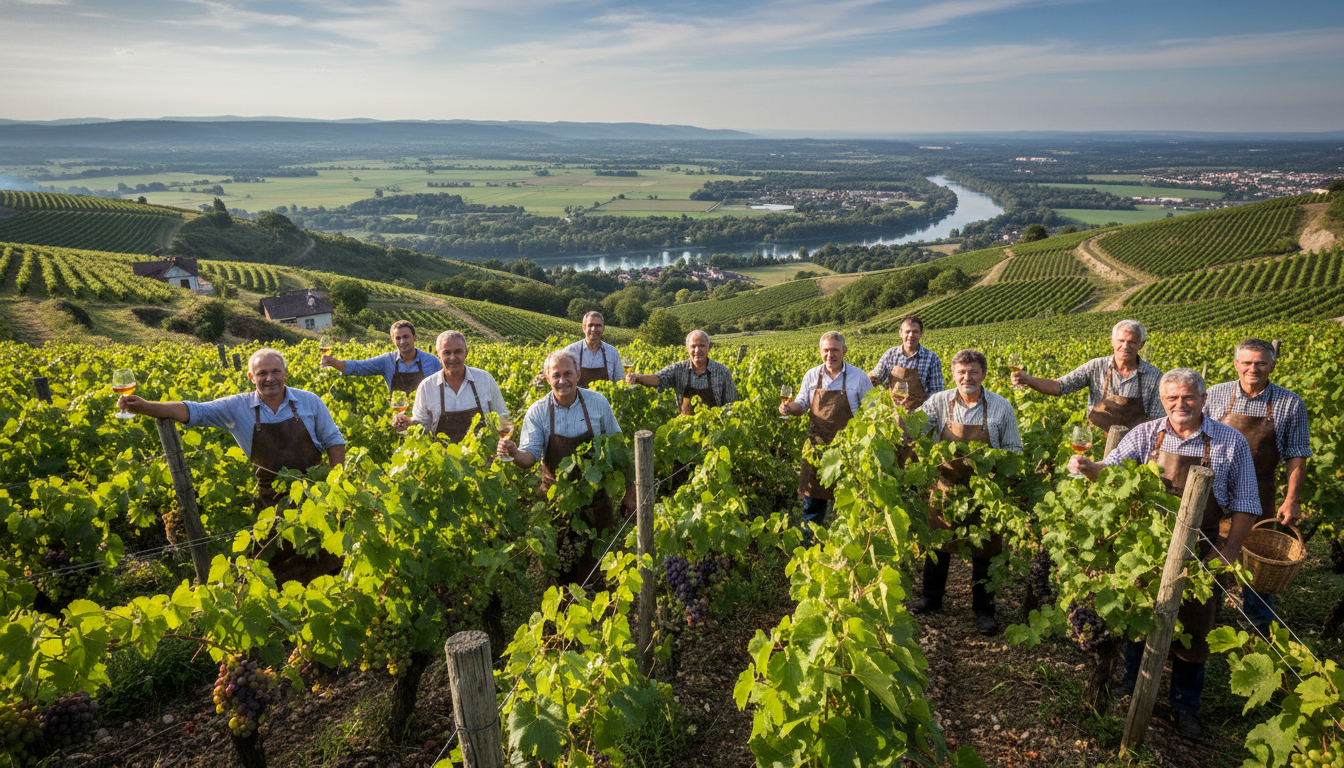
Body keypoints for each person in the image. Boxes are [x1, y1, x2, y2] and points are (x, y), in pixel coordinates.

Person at [1069, 368, 1259, 740]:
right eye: (1172, 398)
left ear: (1203, 399)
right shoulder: (1146, 434)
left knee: (1196, 627)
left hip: (1199, 549)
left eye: (1188, 397)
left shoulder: (1229, 441)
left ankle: (1184, 705)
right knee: (1140, 616)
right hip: (1145, 548)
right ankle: (1131, 685)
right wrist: (1090, 468)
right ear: (1162, 400)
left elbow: (1247, 503)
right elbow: (1112, 471)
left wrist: (1229, 550)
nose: (1180, 404)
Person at [117, 348, 346, 584]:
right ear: (251, 377)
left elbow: (334, 441)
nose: (270, 378)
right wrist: (144, 406)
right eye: (262, 373)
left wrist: (333, 486)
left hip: (316, 496)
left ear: (285, 373)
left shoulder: (310, 401)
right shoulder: (237, 407)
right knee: (276, 570)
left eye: (276, 371)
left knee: (329, 559)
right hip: (272, 503)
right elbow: (194, 410)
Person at [498, 349, 636, 585]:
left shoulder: (598, 403)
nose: (563, 380)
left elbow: (619, 449)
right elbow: (530, 457)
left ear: (578, 374)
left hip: (596, 501)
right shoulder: (538, 411)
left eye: (568, 374)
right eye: (556, 375)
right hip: (557, 504)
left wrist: (630, 490)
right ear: (547, 377)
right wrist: (514, 453)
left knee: (599, 570)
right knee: (560, 572)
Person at [1204, 338, 1310, 637]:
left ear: (1272, 365)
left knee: (1257, 558)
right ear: (1236, 364)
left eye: (1261, 363)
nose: (1253, 368)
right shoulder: (1215, 394)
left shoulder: (1290, 402)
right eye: (1247, 362)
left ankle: (1259, 628)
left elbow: (1297, 455)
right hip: (1214, 487)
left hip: (1259, 488)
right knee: (1209, 549)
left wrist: (1292, 499)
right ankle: (1207, 620)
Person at [913, 349, 1023, 636]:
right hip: (946, 487)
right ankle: (931, 599)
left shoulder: (1001, 407)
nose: (967, 377)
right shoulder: (938, 402)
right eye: (961, 372)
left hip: (984, 492)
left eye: (973, 372)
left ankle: (984, 610)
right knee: (938, 546)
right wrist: (896, 417)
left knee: (985, 551)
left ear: (983, 374)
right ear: (953, 374)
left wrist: (1001, 479)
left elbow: (1014, 449)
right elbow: (912, 430)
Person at [780, 331, 872, 539]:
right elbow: (802, 405)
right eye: (826, 350)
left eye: (835, 350)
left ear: (844, 351)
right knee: (813, 498)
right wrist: (789, 408)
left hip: (849, 449)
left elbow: (871, 409)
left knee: (850, 500)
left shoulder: (859, 377)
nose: (830, 355)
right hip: (817, 447)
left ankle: (849, 542)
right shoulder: (811, 375)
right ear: (820, 352)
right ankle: (810, 540)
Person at [1012, 319, 1163, 431]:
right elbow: (1059, 386)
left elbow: (1159, 420)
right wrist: (1028, 379)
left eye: (1132, 342)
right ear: (1112, 341)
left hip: (1133, 448)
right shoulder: (1095, 367)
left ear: (1141, 345)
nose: (1125, 346)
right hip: (1095, 444)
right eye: (1121, 340)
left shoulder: (1154, 376)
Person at [394, 330, 509, 442]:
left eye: (458, 352)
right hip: (442, 454)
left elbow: (502, 415)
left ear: (466, 353)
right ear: (438, 356)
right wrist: (409, 424)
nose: (453, 358)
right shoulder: (427, 387)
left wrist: (503, 439)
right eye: (447, 353)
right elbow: (422, 425)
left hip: (483, 452)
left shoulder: (484, 379)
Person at [625, 329, 737, 414]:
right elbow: (658, 378)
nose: (697, 350)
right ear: (687, 348)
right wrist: (638, 377)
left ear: (709, 347)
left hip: (715, 429)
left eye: (702, 346)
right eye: (693, 346)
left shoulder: (722, 372)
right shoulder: (678, 368)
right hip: (686, 429)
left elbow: (731, 404)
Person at [322, 320, 442, 393]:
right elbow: (359, 367)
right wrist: (334, 362)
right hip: (398, 415)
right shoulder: (387, 360)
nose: (402, 342)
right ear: (393, 340)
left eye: (406, 337)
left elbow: (444, 387)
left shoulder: (431, 361)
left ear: (414, 338)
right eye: (398, 338)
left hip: (425, 419)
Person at [868, 316, 943, 411]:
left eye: (915, 331)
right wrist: (867, 380)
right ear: (901, 333)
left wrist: (922, 407)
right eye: (907, 331)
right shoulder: (890, 355)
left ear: (921, 333)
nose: (911, 335)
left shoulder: (932, 358)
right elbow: (876, 377)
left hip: (920, 412)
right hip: (892, 411)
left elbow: (937, 392)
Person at [563, 311, 624, 389]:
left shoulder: (612, 352)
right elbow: (562, 380)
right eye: (590, 325)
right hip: (578, 397)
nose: (594, 329)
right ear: (584, 328)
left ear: (603, 328)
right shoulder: (570, 352)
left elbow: (619, 381)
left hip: (604, 397)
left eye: (598, 325)